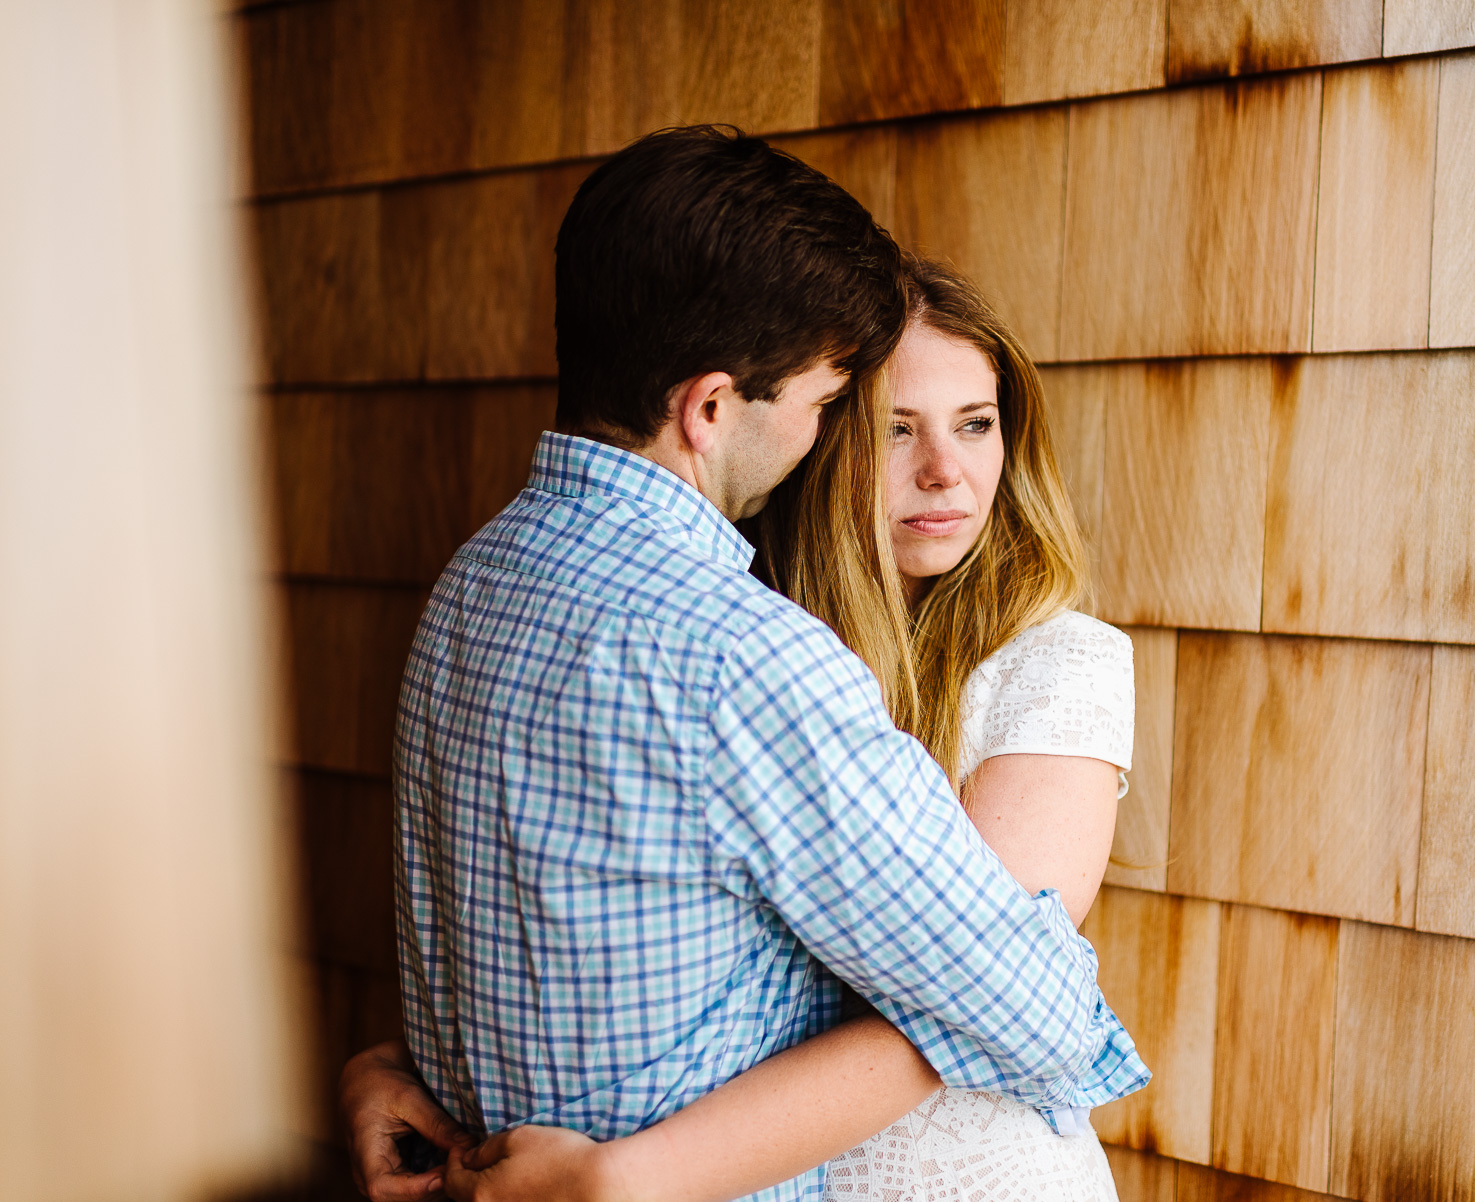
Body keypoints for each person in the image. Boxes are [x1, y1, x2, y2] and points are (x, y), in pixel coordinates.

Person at [339, 126, 1147, 1202]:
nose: (937, 467)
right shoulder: (743, 654)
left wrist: (388, 1063)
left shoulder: (472, 584)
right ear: (709, 407)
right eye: (841, 412)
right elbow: (1029, 1006)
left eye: (975, 423)